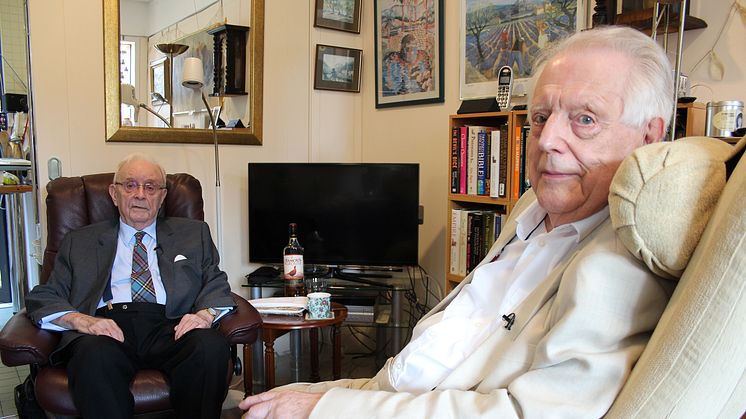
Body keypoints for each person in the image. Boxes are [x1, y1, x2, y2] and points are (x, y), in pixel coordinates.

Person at [240, 25, 676, 418]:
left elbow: (524, 413)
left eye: (585, 119)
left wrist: (332, 408)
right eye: (540, 117)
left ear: (650, 137)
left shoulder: (617, 266)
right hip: (391, 391)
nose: (548, 141)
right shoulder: (532, 207)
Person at [25, 153, 236, 419]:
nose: (140, 194)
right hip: (106, 327)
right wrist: (81, 321)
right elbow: (44, 296)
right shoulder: (79, 241)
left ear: (162, 197)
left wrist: (205, 315)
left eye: (150, 187)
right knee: (92, 355)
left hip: (172, 325)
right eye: (130, 185)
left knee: (209, 347)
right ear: (114, 194)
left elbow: (215, 280)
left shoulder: (194, 234)